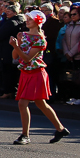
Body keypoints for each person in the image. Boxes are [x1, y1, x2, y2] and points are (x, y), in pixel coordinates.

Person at [10, 10, 71, 145]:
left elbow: (27, 58)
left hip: (36, 73)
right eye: (27, 19)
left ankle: (25, 135)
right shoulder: (24, 35)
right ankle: (60, 129)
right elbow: (15, 56)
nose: (27, 21)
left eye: (30, 19)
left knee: (23, 103)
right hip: (26, 73)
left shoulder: (40, 39)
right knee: (41, 104)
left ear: (38, 22)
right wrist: (18, 43)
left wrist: (15, 45)